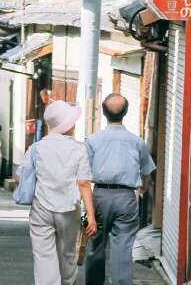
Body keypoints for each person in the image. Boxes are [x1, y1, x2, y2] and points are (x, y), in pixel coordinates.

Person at [21, 99, 97, 285]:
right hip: (69, 210)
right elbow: (84, 184)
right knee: (68, 254)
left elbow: (20, 176)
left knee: (44, 257)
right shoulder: (80, 149)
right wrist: (91, 216)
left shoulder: (36, 148)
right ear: (69, 125)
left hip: (41, 208)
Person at [85, 93, 156, 285]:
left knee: (95, 243)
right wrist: (144, 188)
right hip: (126, 197)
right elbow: (147, 171)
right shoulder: (137, 141)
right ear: (125, 112)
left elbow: (82, 176)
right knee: (123, 249)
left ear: (104, 112)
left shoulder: (92, 140)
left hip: (98, 195)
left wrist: (85, 208)